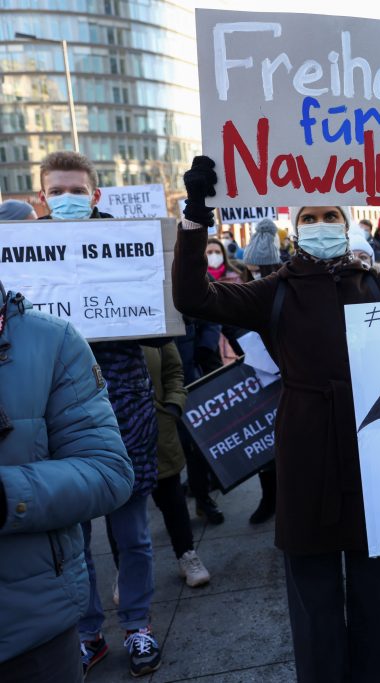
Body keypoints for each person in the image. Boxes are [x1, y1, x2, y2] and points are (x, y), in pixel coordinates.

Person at [173, 154, 380, 683]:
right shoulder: (273, 291)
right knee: (312, 588)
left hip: (373, 445)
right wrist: (195, 218)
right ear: (297, 231)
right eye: (310, 219)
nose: (321, 226)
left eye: (330, 217)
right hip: (306, 445)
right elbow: (193, 295)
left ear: (347, 224)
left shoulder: (377, 283)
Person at [33, 150, 164, 677]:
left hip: (123, 405)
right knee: (73, 540)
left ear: (96, 196)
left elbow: (161, 319)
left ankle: (137, 626)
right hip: (54, 411)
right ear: (42, 198)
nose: (67, 199)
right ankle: (87, 632)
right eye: (57, 191)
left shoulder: (131, 249)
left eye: (76, 190)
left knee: (131, 533)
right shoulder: (20, 252)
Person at [0, 280, 134, 683]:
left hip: (29, 634)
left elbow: (108, 471)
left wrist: (8, 496)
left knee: (135, 541)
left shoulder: (51, 341)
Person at [141, 342, 211, 586]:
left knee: (171, 495)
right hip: (112, 428)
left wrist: (173, 404)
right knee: (121, 507)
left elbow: (173, 369)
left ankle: (187, 555)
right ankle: (127, 572)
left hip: (157, 424)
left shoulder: (149, 315)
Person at [241, 218, 283, 524]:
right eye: (254, 270)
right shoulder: (242, 294)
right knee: (263, 448)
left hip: (288, 379)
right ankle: (269, 498)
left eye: (263, 270)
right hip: (256, 376)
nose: (258, 276)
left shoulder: (286, 291)